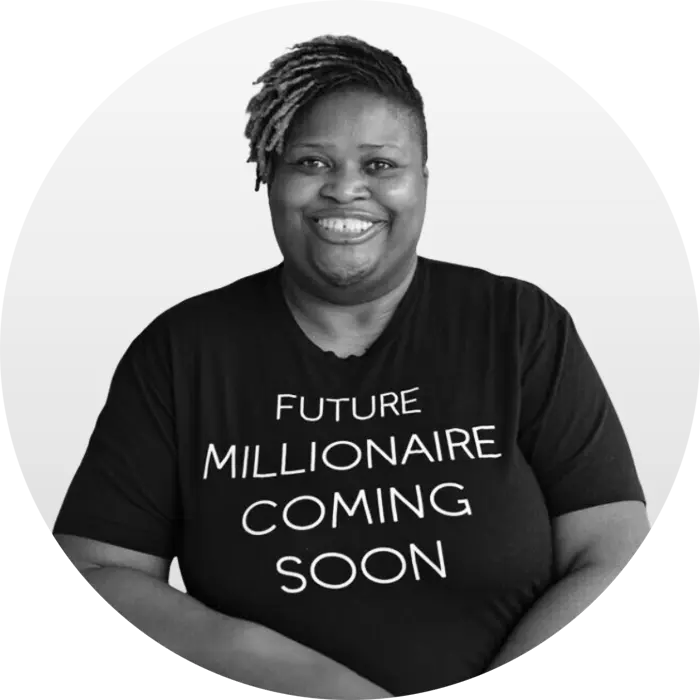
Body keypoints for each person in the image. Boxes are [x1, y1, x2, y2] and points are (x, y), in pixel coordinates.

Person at [52, 34, 650, 698]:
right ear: (269, 176)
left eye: (380, 164)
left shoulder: (517, 325)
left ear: (421, 180)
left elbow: (614, 547)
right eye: (311, 161)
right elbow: (95, 569)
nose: (345, 190)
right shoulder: (182, 350)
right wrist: (315, 683)